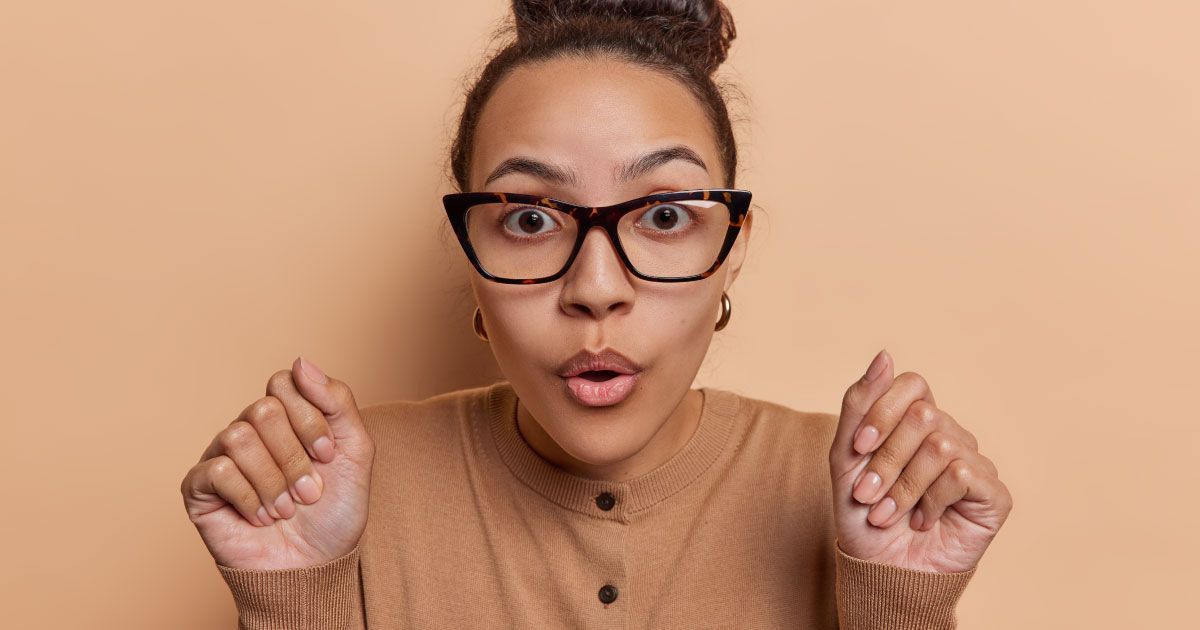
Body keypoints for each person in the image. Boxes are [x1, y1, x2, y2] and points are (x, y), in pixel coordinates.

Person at [180, 1, 1013, 627]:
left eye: (662, 214)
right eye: (531, 218)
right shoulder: (338, 489)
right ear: (467, 249)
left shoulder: (859, 493)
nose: (597, 287)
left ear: (732, 245)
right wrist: (293, 595)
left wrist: (899, 604)